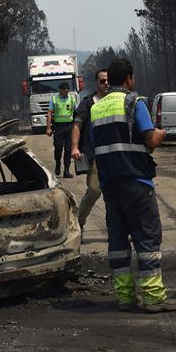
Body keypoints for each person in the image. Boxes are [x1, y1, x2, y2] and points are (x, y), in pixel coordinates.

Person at [90, 58, 176, 313]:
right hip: (135, 180)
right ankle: (153, 297)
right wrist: (160, 134)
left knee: (118, 241)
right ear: (129, 78)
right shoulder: (134, 101)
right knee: (147, 238)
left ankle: (125, 297)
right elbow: (150, 140)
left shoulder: (96, 108)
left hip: (110, 183)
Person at [71, 68, 109, 230]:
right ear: (96, 83)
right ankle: (78, 222)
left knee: (114, 193)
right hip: (94, 155)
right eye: (102, 81)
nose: (106, 83)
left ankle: (118, 227)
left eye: (108, 80)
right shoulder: (87, 103)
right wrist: (74, 147)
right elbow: (77, 125)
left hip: (114, 155)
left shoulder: (117, 101)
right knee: (94, 190)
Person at [46, 81, 76, 177]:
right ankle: (58, 163)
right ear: (60, 90)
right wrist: (49, 128)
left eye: (67, 88)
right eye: (64, 88)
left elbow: (76, 113)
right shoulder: (54, 99)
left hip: (69, 126)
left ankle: (66, 171)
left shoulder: (72, 99)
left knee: (68, 149)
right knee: (58, 148)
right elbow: (49, 114)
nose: (66, 90)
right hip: (58, 127)